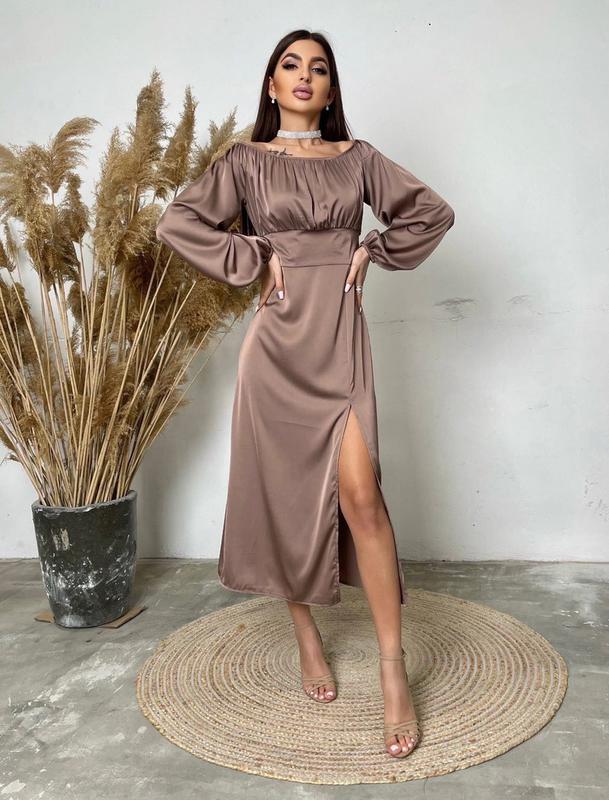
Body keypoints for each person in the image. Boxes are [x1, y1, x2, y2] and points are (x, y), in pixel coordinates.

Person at [156, 29, 455, 759]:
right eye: (290, 65)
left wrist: (371, 248)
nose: (304, 76)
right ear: (271, 84)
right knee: (287, 493)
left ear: (329, 88)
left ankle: (392, 668)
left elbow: (431, 213)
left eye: (318, 68)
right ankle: (305, 635)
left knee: (363, 499)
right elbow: (177, 222)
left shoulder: (358, 158)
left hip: (340, 341)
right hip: (276, 347)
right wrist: (253, 254)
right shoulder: (242, 161)